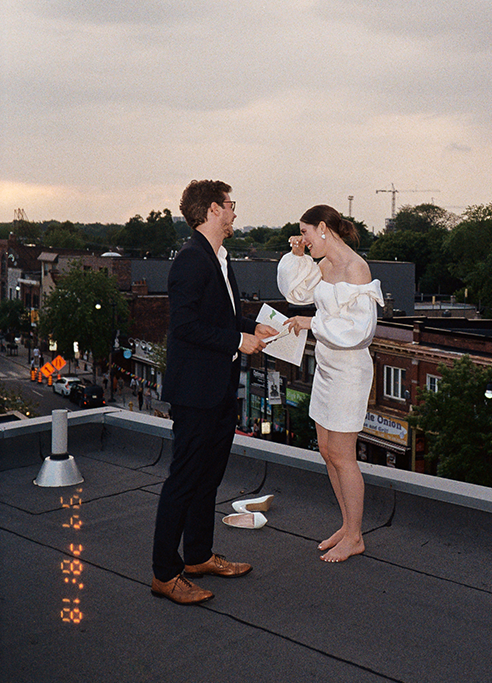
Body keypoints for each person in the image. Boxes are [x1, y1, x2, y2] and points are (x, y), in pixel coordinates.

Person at [150, 180, 278, 606]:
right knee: (184, 481)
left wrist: (247, 329)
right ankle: (165, 573)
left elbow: (219, 316)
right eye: (230, 205)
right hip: (196, 391)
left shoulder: (220, 259)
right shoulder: (190, 259)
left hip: (220, 388)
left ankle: (199, 555)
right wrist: (236, 341)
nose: (235, 212)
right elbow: (184, 326)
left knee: (208, 477)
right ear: (210, 211)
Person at [277, 204, 383, 562]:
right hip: (326, 366)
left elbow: (359, 330)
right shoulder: (323, 265)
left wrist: (311, 324)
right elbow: (297, 293)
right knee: (326, 449)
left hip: (350, 371)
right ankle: (347, 524)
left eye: (304, 233)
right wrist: (296, 256)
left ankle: (355, 536)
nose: (302, 240)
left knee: (342, 453)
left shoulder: (356, 268)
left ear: (323, 228)